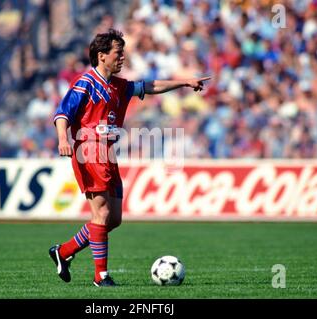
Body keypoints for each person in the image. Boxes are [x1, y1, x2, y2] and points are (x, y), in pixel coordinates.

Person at [50, 29, 210, 287]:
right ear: (102, 56)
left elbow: (151, 86)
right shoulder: (85, 83)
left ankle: (64, 251)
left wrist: (184, 82)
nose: (122, 57)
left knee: (113, 219)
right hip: (88, 149)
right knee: (100, 213)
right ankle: (100, 276)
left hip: (107, 152)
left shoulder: (119, 86)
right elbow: (62, 114)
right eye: (118, 52)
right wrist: (62, 139)